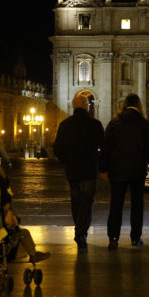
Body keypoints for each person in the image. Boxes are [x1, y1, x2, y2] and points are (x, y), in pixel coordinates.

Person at [100, 93, 149, 249]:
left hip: (117, 171)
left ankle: (113, 238)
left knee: (116, 205)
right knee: (137, 205)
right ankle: (135, 237)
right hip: (137, 171)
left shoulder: (114, 123)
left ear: (124, 105)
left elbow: (106, 149)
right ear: (139, 106)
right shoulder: (145, 125)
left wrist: (103, 169)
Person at [52, 92, 104, 249]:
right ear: (87, 106)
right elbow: (104, 147)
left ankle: (80, 230)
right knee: (87, 202)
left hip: (72, 170)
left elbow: (57, 149)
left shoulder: (65, 125)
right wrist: (100, 163)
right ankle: (81, 232)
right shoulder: (95, 125)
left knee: (76, 201)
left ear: (73, 106)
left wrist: (66, 160)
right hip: (89, 170)